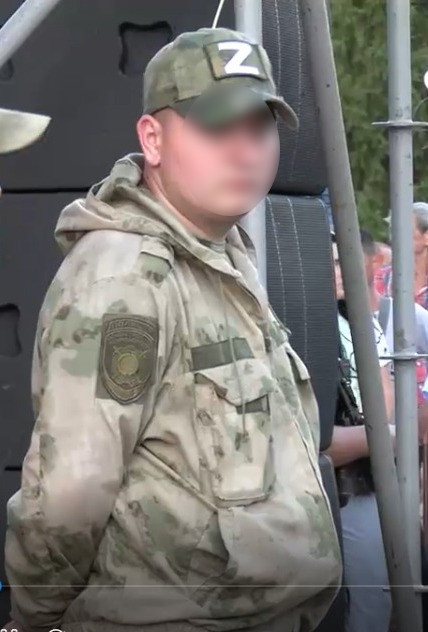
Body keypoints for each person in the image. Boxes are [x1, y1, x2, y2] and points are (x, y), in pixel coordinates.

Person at [4, 28, 342, 632]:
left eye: (259, 128)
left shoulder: (219, 252)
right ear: (153, 139)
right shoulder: (126, 276)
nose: (244, 151)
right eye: (217, 128)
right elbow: (71, 487)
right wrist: (36, 617)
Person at [327, 233, 394, 632]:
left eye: (343, 261)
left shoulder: (362, 323)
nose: (338, 270)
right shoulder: (295, 320)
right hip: (326, 476)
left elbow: (386, 400)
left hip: (360, 481)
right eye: (330, 261)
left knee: (372, 596)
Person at [376, 202, 428, 310]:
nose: (394, 237)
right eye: (392, 231)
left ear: (426, 237)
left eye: (404, 230)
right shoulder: (380, 276)